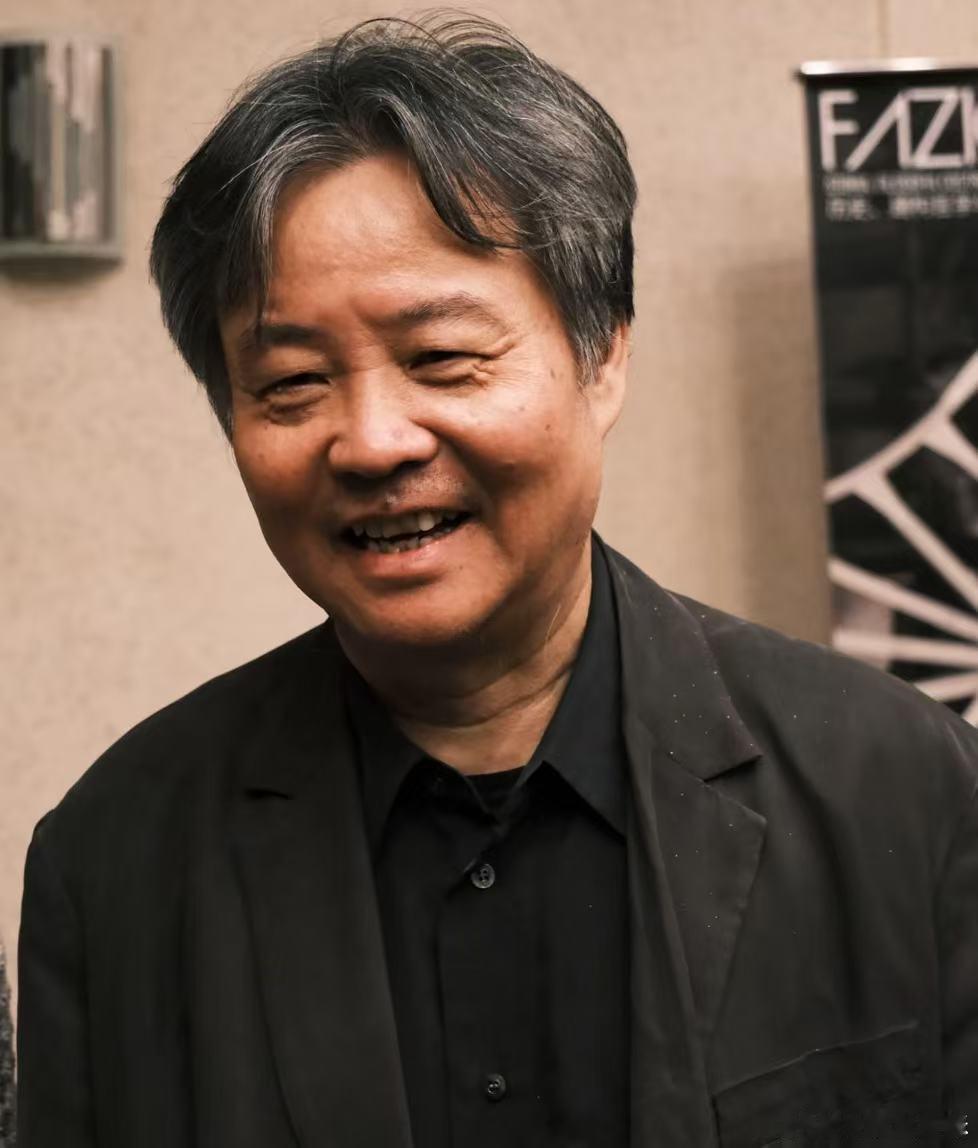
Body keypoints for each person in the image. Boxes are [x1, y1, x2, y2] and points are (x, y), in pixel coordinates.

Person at [16, 14, 978, 1148]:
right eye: (292, 384)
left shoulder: (901, 787)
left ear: (601, 354)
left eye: (442, 359)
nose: (373, 440)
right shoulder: (118, 861)